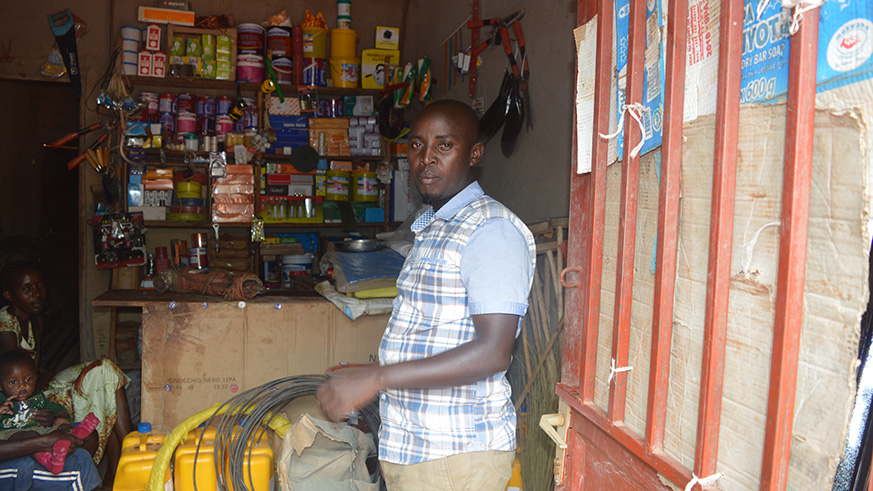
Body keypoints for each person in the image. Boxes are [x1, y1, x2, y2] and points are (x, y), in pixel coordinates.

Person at [317, 99, 535, 490]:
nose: (426, 158)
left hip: (455, 454)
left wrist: (379, 377)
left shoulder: (490, 230)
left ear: (475, 153)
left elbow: (493, 351)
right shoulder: (434, 226)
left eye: (444, 145)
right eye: (417, 145)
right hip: (417, 449)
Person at [0, 261, 133, 486]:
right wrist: (41, 379)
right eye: (27, 289)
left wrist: (44, 375)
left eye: (40, 286)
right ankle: (120, 465)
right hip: (22, 395)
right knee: (94, 388)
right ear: (9, 295)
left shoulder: (36, 319)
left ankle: (123, 459)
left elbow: (35, 368)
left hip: (35, 383)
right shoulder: (5, 328)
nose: (37, 294)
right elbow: (14, 381)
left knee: (106, 371)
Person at [0, 349, 100, 475]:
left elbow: (56, 408)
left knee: (63, 429)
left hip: (40, 432)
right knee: (29, 435)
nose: (22, 386)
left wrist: (62, 416)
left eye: (28, 379)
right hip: (12, 434)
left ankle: (75, 433)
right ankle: (48, 461)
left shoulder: (37, 397)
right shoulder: (2, 400)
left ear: (35, 379)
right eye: (13, 382)